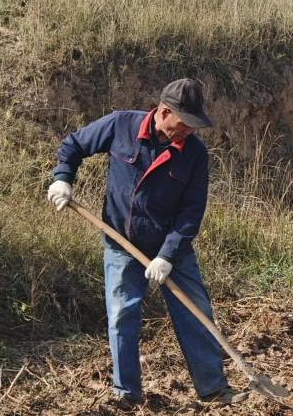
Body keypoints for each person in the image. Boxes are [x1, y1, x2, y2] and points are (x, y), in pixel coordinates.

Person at [46, 78, 240, 408]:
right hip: (122, 243)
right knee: (122, 316)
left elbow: (191, 212)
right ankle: (127, 396)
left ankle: (214, 389)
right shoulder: (121, 125)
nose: (188, 131)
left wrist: (166, 256)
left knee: (196, 313)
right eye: (185, 124)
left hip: (172, 249)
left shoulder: (194, 154)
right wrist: (63, 178)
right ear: (164, 112)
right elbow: (73, 146)